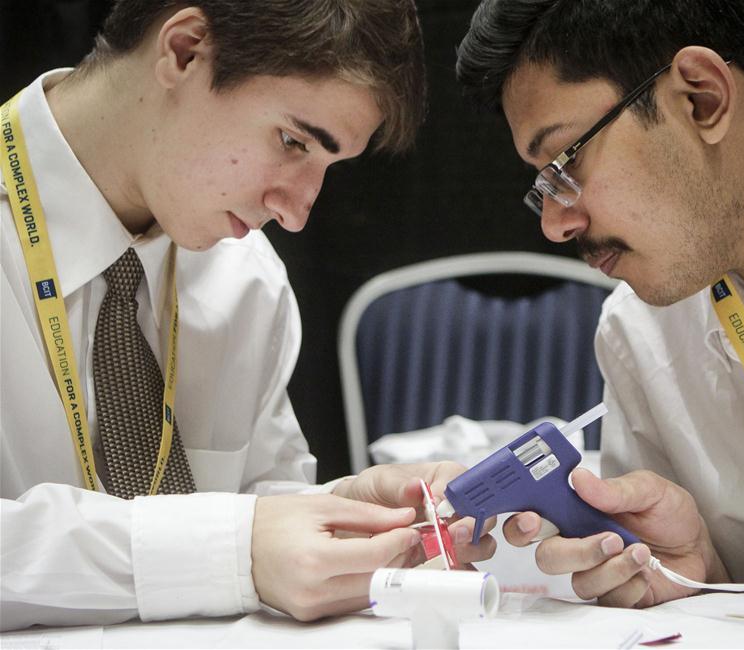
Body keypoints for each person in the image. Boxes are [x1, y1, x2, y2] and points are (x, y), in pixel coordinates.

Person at [1, 0, 495, 631]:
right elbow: (231, 544)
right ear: (184, 51)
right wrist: (237, 547)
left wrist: (341, 514)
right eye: (292, 142)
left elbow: (249, 515)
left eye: (327, 168)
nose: (295, 212)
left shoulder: (244, 276)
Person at [456, 0, 744, 608]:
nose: (556, 224)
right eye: (544, 186)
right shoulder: (641, 334)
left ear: (702, 99)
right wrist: (700, 582)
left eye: (565, 161)